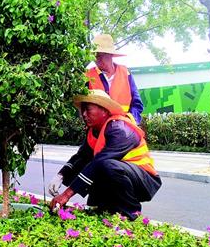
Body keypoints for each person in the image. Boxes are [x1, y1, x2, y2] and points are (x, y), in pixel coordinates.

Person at [48, 89, 161, 220]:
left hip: (144, 178)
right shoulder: (94, 131)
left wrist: (66, 195)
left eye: (88, 110)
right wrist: (60, 175)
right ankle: (100, 208)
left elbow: (99, 163)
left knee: (105, 164)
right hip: (120, 170)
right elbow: (81, 157)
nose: (84, 114)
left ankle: (129, 214)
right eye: (82, 110)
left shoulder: (119, 129)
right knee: (89, 162)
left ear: (104, 110)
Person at [86, 34, 144, 124]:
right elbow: (83, 107)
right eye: (94, 56)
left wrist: (129, 121)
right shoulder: (88, 76)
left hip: (124, 130)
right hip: (99, 132)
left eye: (99, 56)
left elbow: (137, 104)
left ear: (110, 55)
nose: (96, 60)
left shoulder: (126, 73)